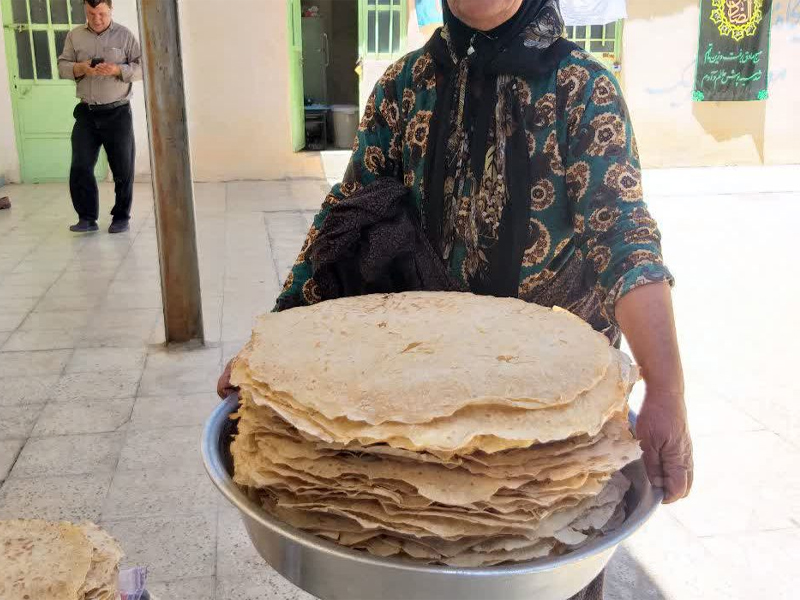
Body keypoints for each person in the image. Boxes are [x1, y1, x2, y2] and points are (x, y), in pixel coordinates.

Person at [218, 1, 693, 596]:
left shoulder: (581, 90)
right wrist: (276, 353)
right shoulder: (405, 86)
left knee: (546, 565)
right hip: (411, 435)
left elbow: (623, 235)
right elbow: (348, 221)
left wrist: (666, 391)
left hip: (546, 447)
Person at [57, 0, 142, 234]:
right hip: (86, 113)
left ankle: (121, 217)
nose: (96, 19)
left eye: (102, 13)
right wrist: (80, 68)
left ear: (110, 10)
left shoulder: (125, 36)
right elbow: (62, 65)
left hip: (117, 112)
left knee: (123, 169)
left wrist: (118, 70)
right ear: (85, 10)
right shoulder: (75, 36)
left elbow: (143, 66)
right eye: (91, 13)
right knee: (80, 166)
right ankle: (86, 218)